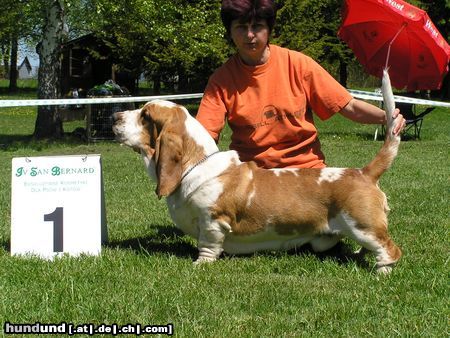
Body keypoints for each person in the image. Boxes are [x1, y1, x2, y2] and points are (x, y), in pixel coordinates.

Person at [196, 0, 405, 169]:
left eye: (257, 26)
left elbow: (348, 106)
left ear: (269, 30)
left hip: (306, 170)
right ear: (230, 32)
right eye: (241, 27)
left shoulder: (298, 64)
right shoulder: (221, 80)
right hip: (253, 178)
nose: (250, 35)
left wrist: (387, 118)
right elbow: (203, 137)